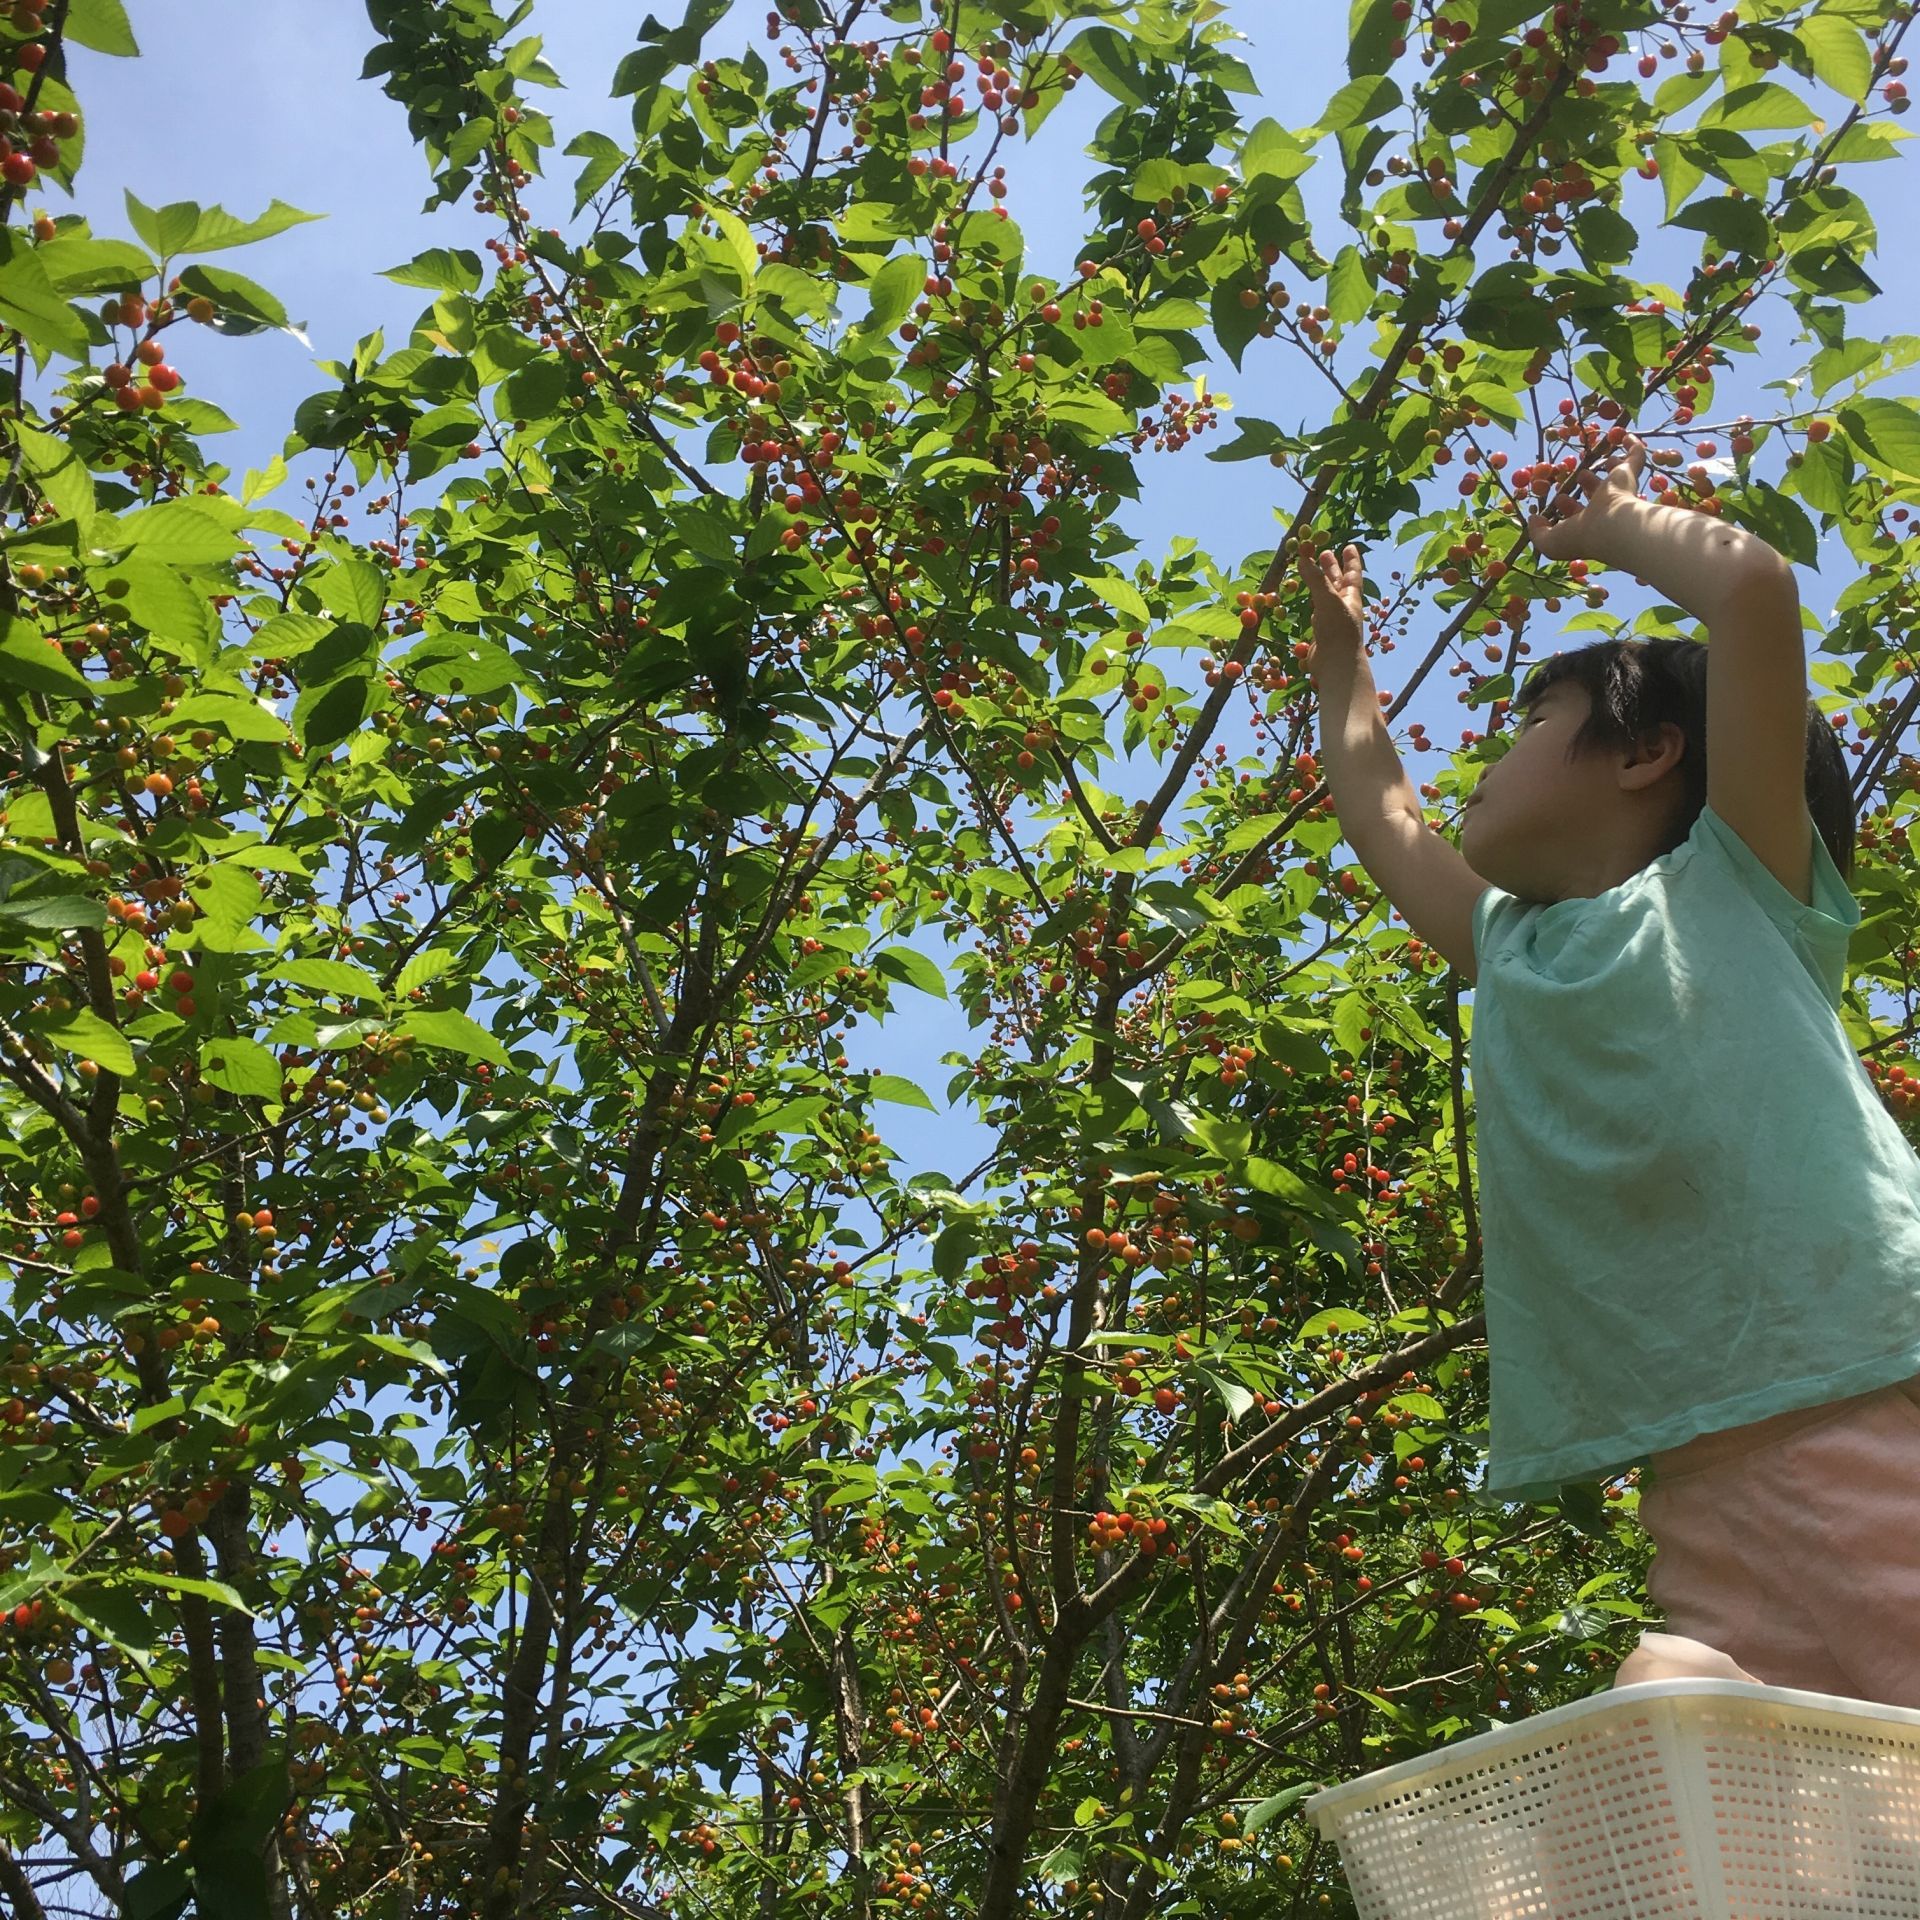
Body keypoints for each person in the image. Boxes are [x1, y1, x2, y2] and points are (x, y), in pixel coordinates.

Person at [1303, 434, 1920, 1710]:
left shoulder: (1738, 884)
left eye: (1534, 720)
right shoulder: (1507, 948)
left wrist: (1607, 517)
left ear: (1651, 754)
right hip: (1695, 1479)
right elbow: (1380, 811)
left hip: (1869, 1397)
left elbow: (1750, 592)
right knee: (1684, 1719)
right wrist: (1339, 661)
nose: (1491, 752)